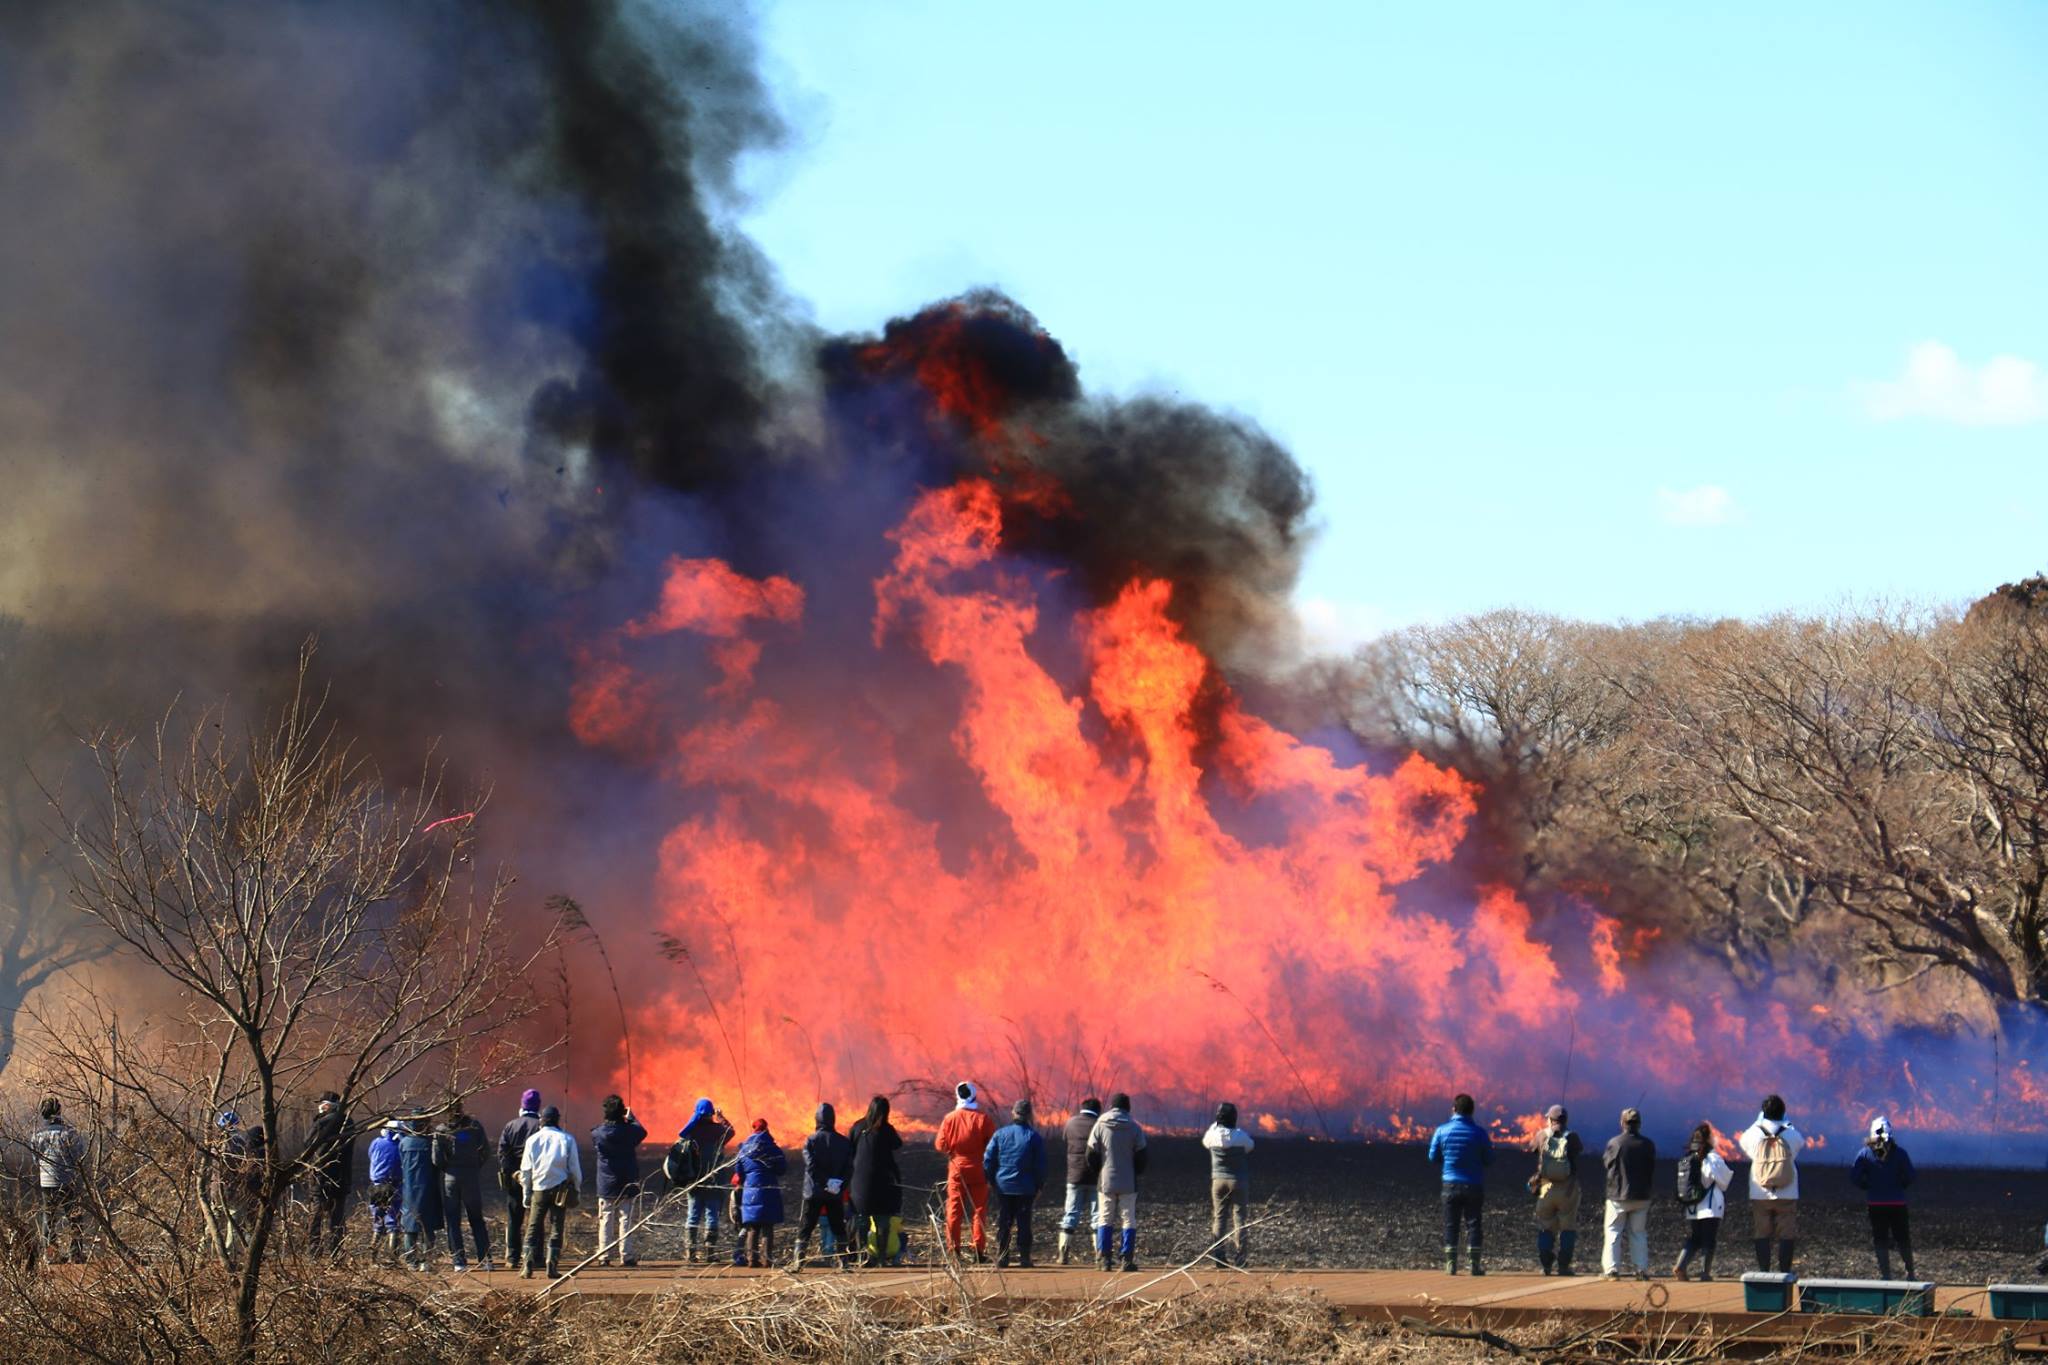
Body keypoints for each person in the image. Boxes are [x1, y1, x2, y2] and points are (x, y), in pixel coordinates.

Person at [1426, 1093, 1493, 1275]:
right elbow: (1489, 1159)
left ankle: (1451, 1264)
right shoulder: (1480, 1133)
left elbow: (1432, 1157)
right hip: (1473, 1184)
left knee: (1451, 1224)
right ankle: (1474, 1265)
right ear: (1472, 1111)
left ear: (1454, 1110)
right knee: (1474, 1224)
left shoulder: (1441, 1130)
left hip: (1450, 1184)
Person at [1738, 1093, 1804, 1274]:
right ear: (1783, 1113)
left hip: (1760, 1190)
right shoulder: (1790, 1133)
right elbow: (1799, 1145)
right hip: (1787, 1190)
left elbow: (1744, 1145)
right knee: (1787, 1234)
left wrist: (1757, 1122)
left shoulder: (1753, 1133)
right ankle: (1784, 1272)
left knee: (1762, 1233)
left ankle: (1764, 1272)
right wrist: (1787, 1124)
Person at [935, 1080, 997, 1263]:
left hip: (956, 1169)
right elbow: (993, 1144)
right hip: (979, 1168)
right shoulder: (983, 1119)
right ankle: (978, 1250)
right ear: (974, 1096)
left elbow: (940, 1144)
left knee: (954, 1210)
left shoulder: (949, 1119)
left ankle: (954, 1251)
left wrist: (952, 1152)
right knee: (979, 1210)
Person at [983, 1098, 1048, 1269]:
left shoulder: (1000, 1134)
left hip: (1003, 1186)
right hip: (1026, 1188)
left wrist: (989, 1179)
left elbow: (988, 1159)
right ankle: (1025, 1258)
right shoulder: (1034, 1137)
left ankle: (1003, 1257)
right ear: (1029, 1115)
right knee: (1024, 1222)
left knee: (1004, 1221)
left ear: (1014, 1113)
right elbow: (1040, 1165)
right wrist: (1039, 1185)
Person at [1086, 1092, 1147, 1272]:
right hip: (1128, 1181)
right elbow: (1142, 1155)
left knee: (1105, 1217)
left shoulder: (1100, 1125)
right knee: (1129, 1219)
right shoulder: (1135, 1128)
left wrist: (1099, 1170)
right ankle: (1126, 1259)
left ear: (1112, 1106)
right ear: (1128, 1107)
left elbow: (1090, 1153)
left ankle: (1104, 1259)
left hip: (1106, 1181)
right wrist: (1136, 1171)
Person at [1850, 1115, 1917, 1280]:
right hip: (1897, 1203)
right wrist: (1899, 1186)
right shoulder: (1900, 1153)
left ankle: (1886, 1275)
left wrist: (1868, 1186)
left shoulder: (1865, 1154)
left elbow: (1855, 1176)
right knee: (1902, 1238)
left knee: (1880, 1239)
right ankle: (1910, 1272)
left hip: (1876, 1204)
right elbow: (1910, 1176)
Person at [518, 1105, 581, 1279]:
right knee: (556, 1227)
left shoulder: (533, 1140)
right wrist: (577, 1188)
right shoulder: (567, 1139)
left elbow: (526, 1170)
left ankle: (527, 1267)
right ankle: (551, 1267)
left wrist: (526, 1193)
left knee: (533, 1227)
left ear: (541, 1120)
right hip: (560, 1189)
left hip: (539, 1188)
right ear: (557, 1119)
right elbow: (575, 1169)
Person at [434, 1097, 492, 1271]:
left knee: (453, 1220)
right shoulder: (474, 1126)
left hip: (451, 1179)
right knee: (476, 1219)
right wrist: (474, 1166)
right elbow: (486, 1151)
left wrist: (449, 1169)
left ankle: (459, 1261)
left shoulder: (441, 1130)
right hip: (471, 1178)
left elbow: (436, 1159)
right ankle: (485, 1261)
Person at [675, 1097, 735, 1266]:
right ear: (711, 1113)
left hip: (694, 1180)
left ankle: (691, 1252)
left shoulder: (692, 1131)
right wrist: (721, 1117)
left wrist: (693, 1119)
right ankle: (711, 1252)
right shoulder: (718, 1131)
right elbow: (730, 1131)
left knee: (692, 1217)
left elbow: (682, 1134)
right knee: (712, 1216)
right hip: (714, 1181)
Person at [590, 1094, 647, 1268]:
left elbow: (597, 1136)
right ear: (622, 1111)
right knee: (626, 1219)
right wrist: (632, 1119)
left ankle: (603, 1255)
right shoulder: (630, 1131)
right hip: (627, 1180)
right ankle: (626, 1256)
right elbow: (642, 1132)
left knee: (606, 1218)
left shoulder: (597, 1133)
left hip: (606, 1182)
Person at [29, 1097, 87, 1266]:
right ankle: (76, 1254)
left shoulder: (37, 1135)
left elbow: (35, 1160)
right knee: (74, 1218)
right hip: (67, 1181)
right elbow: (78, 1157)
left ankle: (51, 1255)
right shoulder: (69, 1133)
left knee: (49, 1219)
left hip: (46, 1183)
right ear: (60, 1111)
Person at [796, 1102, 854, 1271]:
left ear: (817, 1119)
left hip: (813, 1191)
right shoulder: (843, 1142)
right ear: (833, 1119)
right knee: (838, 1226)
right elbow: (849, 1167)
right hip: (834, 1193)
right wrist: (839, 1185)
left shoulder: (810, 1140)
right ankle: (844, 1262)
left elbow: (811, 1166)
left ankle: (798, 1261)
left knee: (806, 1225)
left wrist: (823, 1183)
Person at [1672, 1121, 1733, 1281]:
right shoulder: (1712, 1159)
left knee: (1695, 1237)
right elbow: (1724, 1181)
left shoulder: (1688, 1157)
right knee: (1709, 1239)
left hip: (1692, 1206)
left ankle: (1681, 1265)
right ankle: (1705, 1273)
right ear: (1709, 1139)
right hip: (1710, 1205)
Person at [849, 1094, 904, 1267]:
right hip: (880, 1183)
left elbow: (850, 1148)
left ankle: (863, 1256)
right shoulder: (887, 1130)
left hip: (860, 1183)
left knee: (863, 1220)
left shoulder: (858, 1127)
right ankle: (877, 1258)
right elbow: (897, 1144)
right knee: (881, 1221)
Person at [1601, 1107, 1656, 1281]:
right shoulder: (1648, 1144)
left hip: (1618, 1195)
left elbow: (1607, 1163)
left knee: (1613, 1231)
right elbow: (1651, 1167)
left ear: (1622, 1123)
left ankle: (1612, 1270)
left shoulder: (1615, 1143)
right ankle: (1641, 1269)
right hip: (1641, 1196)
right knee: (1638, 1233)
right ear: (1639, 1124)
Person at [1526, 1104, 1581, 1276]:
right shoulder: (1572, 1137)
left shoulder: (1542, 1135)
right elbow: (1578, 1152)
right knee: (1568, 1227)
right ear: (1565, 1120)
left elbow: (1532, 1149)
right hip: (1568, 1188)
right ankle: (1563, 1266)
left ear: (1550, 1119)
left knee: (1545, 1226)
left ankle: (1546, 1266)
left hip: (1546, 1188)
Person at [1201, 1101, 1255, 1268]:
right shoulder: (1240, 1136)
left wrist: (1215, 1125)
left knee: (1220, 1217)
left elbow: (1205, 1141)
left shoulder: (1211, 1136)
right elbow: (1250, 1146)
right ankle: (1240, 1259)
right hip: (1238, 1180)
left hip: (1218, 1180)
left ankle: (1218, 1256)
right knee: (1240, 1219)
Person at [302, 1091, 354, 1258]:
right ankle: (336, 1254)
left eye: (321, 1103)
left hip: (321, 1176)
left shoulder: (322, 1122)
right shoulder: (349, 1122)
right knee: (336, 1219)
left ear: (327, 1105)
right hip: (341, 1177)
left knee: (316, 1217)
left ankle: (313, 1253)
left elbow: (307, 1144)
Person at [498, 1089, 543, 1271]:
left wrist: (512, 1173)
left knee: (514, 1218)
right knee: (536, 1219)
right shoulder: (542, 1127)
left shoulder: (511, 1126)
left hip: (515, 1178)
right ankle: (536, 1256)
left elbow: (502, 1153)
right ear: (538, 1105)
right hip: (538, 1178)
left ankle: (512, 1257)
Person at [736, 1118, 788, 1269]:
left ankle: (752, 1259)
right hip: (769, 1190)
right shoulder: (773, 1148)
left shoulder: (744, 1149)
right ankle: (767, 1260)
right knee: (767, 1226)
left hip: (750, 1191)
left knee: (752, 1227)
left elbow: (739, 1171)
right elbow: (782, 1169)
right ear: (766, 1129)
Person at [1057, 1097, 1101, 1266]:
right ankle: (1099, 1255)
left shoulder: (1070, 1123)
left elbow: (1065, 1141)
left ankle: (1063, 1254)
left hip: (1074, 1176)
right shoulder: (1099, 1124)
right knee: (1097, 1216)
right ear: (1097, 1110)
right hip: (1095, 1178)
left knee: (1071, 1214)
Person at [398, 1116, 443, 1270]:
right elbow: (438, 1164)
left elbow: (400, 1163)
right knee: (427, 1226)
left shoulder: (404, 1143)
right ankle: (427, 1261)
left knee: (409, 1227)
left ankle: (411, 1261)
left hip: (409, 1190)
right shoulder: (430, 1143)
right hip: (428, 1188)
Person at [367, 1120, 403, 1262]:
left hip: (376, 1185)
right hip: (394, 1186)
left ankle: (373, 1258)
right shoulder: (400, 1145)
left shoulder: (376, 1142)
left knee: (378, 1220)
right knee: (392, 1221)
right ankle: (392, 1258)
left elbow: (371, 1156)